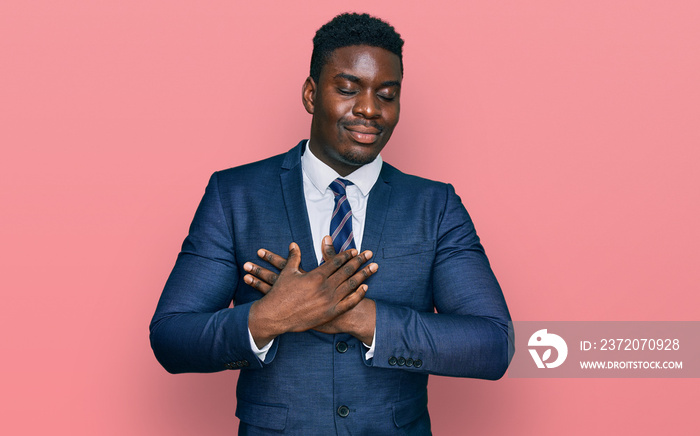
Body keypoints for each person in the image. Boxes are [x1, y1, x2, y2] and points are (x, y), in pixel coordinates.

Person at [150, 12, 514, 435]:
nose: (369, 109)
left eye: (387, 94)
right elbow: (171, 339)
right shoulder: (234, 195)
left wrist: (359, 318)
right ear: (310, 94)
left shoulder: (435, 206)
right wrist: (269, 318)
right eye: (347, 89)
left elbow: (492, 345)